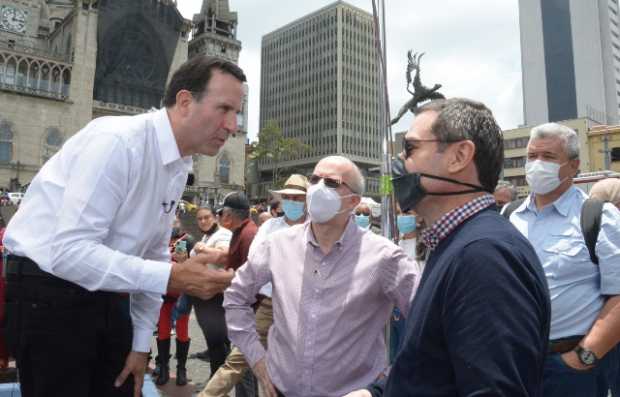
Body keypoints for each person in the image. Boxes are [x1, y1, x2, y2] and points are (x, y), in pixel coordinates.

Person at [2, 56, 245, 397]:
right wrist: (172, 277)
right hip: (48, 295)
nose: (233, 125)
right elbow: (70, 253)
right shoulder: (117, 141)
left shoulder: (178, 165)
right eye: (224, 109)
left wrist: (141, 343)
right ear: (186, 101)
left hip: (110, 295)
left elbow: (153, 252)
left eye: (237, 113)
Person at [346, 98, 551, 397]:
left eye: (411, 148)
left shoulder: (484, 256)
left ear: (459, 156)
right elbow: (429, 365)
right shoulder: (457, 243)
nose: (400, 161)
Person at [224, 156, 419, 397]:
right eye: (314, 180)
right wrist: (258, 360)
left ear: (354, 201)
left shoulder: (384, 257)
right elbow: (235, 298)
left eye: (331, 182)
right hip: (280, 391)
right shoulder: (277, 245)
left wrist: (385, 383)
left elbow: (429, 318)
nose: (318, 188)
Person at [507, 123, 620, 397]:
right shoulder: (508, 217)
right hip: (514, 365)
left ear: (573, 166)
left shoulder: (598, 217)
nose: (536, 165)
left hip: (569, 368)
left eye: (547, 157)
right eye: (531, 156)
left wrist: (583, 358)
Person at [199, 174, 309, 397]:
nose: (293, 202)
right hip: (270, 304)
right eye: (288, 197)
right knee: (239, 358)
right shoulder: (269, 228)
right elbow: (256, 262)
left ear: (307, 201)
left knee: (297, 368)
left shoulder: (315, 228)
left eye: (298, 198)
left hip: (304, 307)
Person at [193, 191, 257, 377]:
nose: (204, 221)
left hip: (235, 305)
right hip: (231, 303)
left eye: (214, 216)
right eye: (200, 218)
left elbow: (245, 273)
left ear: (227, 215)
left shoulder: (246, 234)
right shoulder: (239, 232)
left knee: (235, 361)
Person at [186, 207, 232, 375]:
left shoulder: (223, 234)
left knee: (216, 343)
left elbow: (224, 255)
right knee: (214, 342)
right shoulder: (207, 236)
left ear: (215, 218)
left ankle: (216, 385)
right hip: (202, 296)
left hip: (214, 296)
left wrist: (203, 249)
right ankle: (217, 383)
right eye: (200, 219)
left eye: (207, 217)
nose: (203, 221)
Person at [153, 217, 196, 386]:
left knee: (182, 333)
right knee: (163, 332)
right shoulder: (160, 240)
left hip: (181, 296)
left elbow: (195, 267)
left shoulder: (188, 240)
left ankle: (181, 369)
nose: (171, 224)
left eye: (175, 222)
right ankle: (163, 367)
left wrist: (185, 261)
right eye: (169, 222)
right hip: (164, 294)